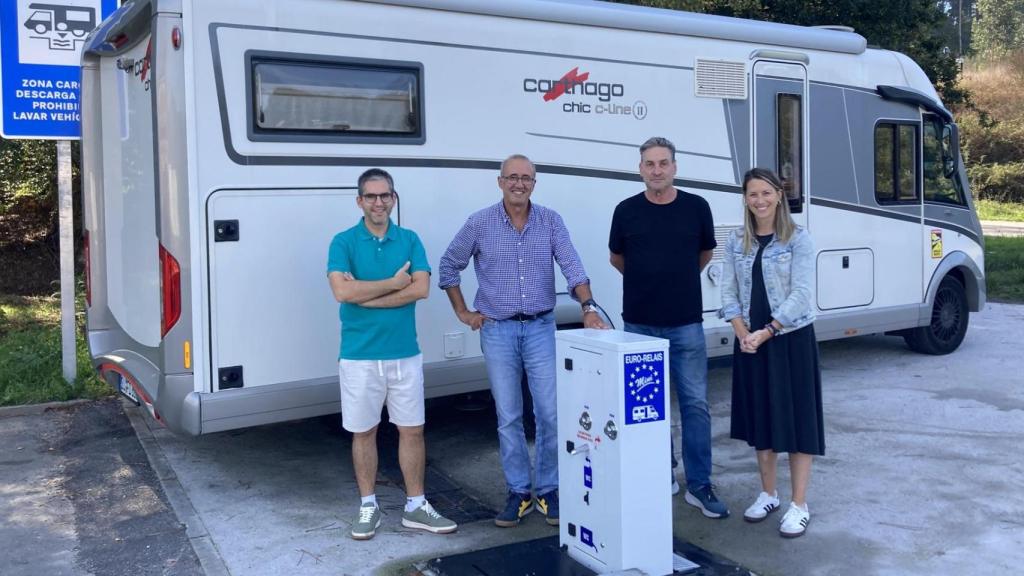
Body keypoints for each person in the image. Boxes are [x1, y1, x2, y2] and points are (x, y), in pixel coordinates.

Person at [438, 154, 606, 528]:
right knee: (508, 415)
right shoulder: (479, 223)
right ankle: (518, 492)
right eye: (511, 177)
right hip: (497, 330)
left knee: (549, 413)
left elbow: (572, 266)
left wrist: (588, 306)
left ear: (534, 183)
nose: (519, 183)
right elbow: (448, 266)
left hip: (541, 328)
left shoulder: (550, 221)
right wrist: (463, 313)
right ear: (500, 182)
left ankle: (548, 490)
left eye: (525, 178)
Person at [327, 168, 457, 540]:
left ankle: (416, 507)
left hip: (405, 353)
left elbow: (422, 289)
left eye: (385, 195)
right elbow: (342, 293)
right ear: (359, 201)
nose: (378, 202)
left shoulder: (410, 239)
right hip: (359, 356)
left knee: (412, 430)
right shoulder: (343, 242)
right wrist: (394, 284)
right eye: (371, 196)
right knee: (363, 432)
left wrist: (368, 294)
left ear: (394, 198)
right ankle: (369, 506)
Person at [608, 136, 729, 519]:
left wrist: (673, 281)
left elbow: (705, 254)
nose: (657, 170)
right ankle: (661, 475)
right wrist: (650, 282)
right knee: (648, 407)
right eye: (649, 164)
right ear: (640, 168)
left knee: (695, 404)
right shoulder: (626, 210)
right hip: (639, 326)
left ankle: (699, 484)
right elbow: (617, 258)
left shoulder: (697, 207)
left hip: (686, 325)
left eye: (663, 163)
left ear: (675, 167)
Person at [720, 167, 824, 538]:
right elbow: (727, 291)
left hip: (789, 339)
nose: (760, 200)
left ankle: (799, 503)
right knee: (762, 420)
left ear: (779, 195)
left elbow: (801, 294)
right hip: (750, 341)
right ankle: (768, 494)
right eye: (752, 194)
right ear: (745, 200)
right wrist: (741, 332)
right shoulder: (736, 241)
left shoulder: (798, 239)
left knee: (797, 422)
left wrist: (767, 331)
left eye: (766, 193)